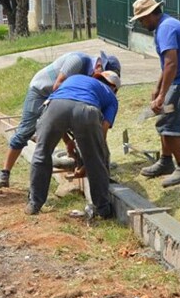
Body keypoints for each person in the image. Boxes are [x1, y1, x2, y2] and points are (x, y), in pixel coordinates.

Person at [0, 51, 122, 189]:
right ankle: (4, 173)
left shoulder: (92, 78)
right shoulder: (78, 60)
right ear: (99, 66)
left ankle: (83, 163)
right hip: (41, 91)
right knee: (25, 132)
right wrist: (67, 139)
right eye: (103, 77)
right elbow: (57, 88)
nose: (102, 82)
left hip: (60, 100)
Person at [129, 0, 180, 188]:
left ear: (150, 15)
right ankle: (166, 161)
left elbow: (172, 64)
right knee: (165, 118)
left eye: (142, 20)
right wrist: (158, 89)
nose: (141, 24)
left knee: (168, 123)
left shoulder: (165, 28)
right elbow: (168, 65)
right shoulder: (166, 24)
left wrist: (162, 95)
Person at [26, 69, 121, 218]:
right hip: (87, 110)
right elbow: (101, 138)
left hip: (56, 106)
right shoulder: (111, 97)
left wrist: (67, 141)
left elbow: (62, 111)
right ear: (114, 88)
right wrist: (87, 165)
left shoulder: (76, 78)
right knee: (97, 160)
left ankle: (34, 204)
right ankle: (103, 209)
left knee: (41, 153)